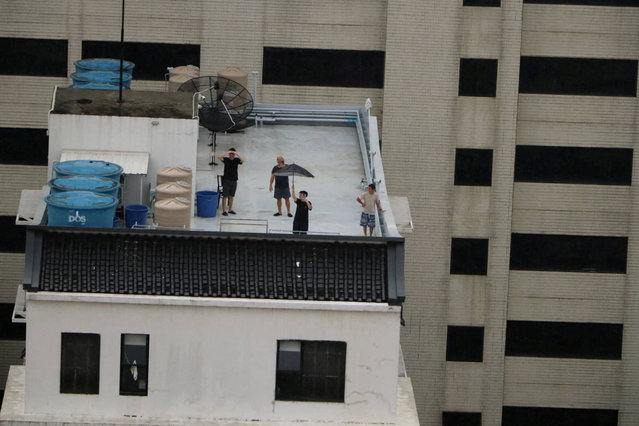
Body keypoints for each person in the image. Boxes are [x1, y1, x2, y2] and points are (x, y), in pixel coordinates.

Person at [217, 148, 244, 216]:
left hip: (234, 180)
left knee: (232, 195)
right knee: (225, 196)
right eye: (231, 154)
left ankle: (230, 209)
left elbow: (243, 160)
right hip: (226, 180)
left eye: (233, 154)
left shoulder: (236, 160)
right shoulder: (226, 160)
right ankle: (224, 211)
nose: (232, 155)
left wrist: (237, 153)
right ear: (229, 154)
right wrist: (227, 152)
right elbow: (219, 157)